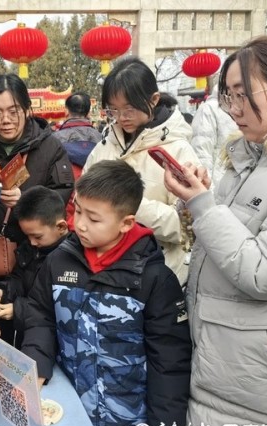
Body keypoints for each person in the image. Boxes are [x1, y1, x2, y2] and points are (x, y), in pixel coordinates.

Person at [163, 36, 267, 426]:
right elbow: (224, 243)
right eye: (228, 96)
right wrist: (195, 204)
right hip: (218, 368)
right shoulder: (248, 159)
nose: (233, 110)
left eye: (243, 96)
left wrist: (203, 205)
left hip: (256, 388)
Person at [21, 160, 191, 426]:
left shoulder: (154, 278)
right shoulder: (59, 262)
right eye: (78, 210)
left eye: (94, 218)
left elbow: (170, 362)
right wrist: (36, 369)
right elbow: (41, 318)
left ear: (126, 223)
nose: (80, 224)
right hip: (68, 414)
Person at [0, 73, 74, 344]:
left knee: (34, 329)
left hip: (36, 256)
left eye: (13, 111)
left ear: (27, 109)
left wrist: (26, 200)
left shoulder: (48, 146)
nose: (6, 120)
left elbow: (64, 193)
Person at [83, 56, 200, 285]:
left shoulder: (179, 151)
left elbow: (189, 228)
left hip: (157, 276)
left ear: (154, 99)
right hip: (105, 273)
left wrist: (127, 206)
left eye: (129, 109)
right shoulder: (104, 147)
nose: (121, 118)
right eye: (114, 110)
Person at [0, 186, 70, 349]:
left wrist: (19, 311)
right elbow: (19, 278)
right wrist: (4, 291)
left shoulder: (70, 259)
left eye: (37, 236)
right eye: (27, 236)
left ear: (61, 227)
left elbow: (58, 308)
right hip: (29, 337)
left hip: (59, 344)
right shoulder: (31, 248)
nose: (32, 242)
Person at [190, 83, 239, 189]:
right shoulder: (209, 108)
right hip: (217, 184)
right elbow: (201, 153)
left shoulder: (246, 108)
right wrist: (208, 190)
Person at [53, 91, 103, 179]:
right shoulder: (100, 137)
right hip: (94, 186)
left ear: (66, 111)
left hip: (65, 188)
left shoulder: (55, 138)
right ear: (88, 113)